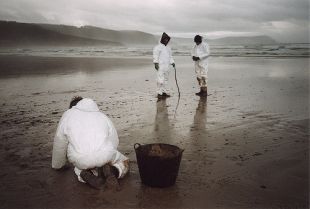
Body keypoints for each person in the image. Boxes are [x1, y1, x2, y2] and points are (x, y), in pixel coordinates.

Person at [52, 96, 129, 190]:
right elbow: (114, 139)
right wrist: (110, 156)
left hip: (81, 159)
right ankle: (114, 171)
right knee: (124, 162)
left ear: (72, 107)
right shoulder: (102, 115)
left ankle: (84, 174)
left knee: (79, 162)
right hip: (105, 155)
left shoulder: (68, 115)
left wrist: (58, 165)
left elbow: (59, 142)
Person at [153, 32, 175, 98]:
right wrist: (156, 63)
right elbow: (155, 56)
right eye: (165, 39)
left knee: (166, 79)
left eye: (167, 40)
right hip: (161, 66)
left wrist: (172, 62)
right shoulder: (157, 47)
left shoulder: (168, 48)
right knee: (160, 79)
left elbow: (170, 56)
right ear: (162, 39)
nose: (166, 41)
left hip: (167, 66)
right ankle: (159, 93)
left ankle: (164, 92)